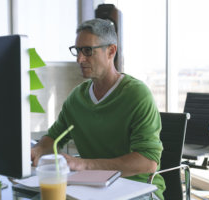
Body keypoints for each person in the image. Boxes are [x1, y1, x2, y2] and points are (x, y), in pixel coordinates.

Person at [31, 18, 165, 199]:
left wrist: (82, 165)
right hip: (90, 188)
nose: (79, 59)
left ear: (111, 51)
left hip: (137, 189)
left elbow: (147, 163)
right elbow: (53, 137)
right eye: (77, 51)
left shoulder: (137, 95)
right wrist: (37, 150)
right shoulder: (76, 98)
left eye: (87, 51)